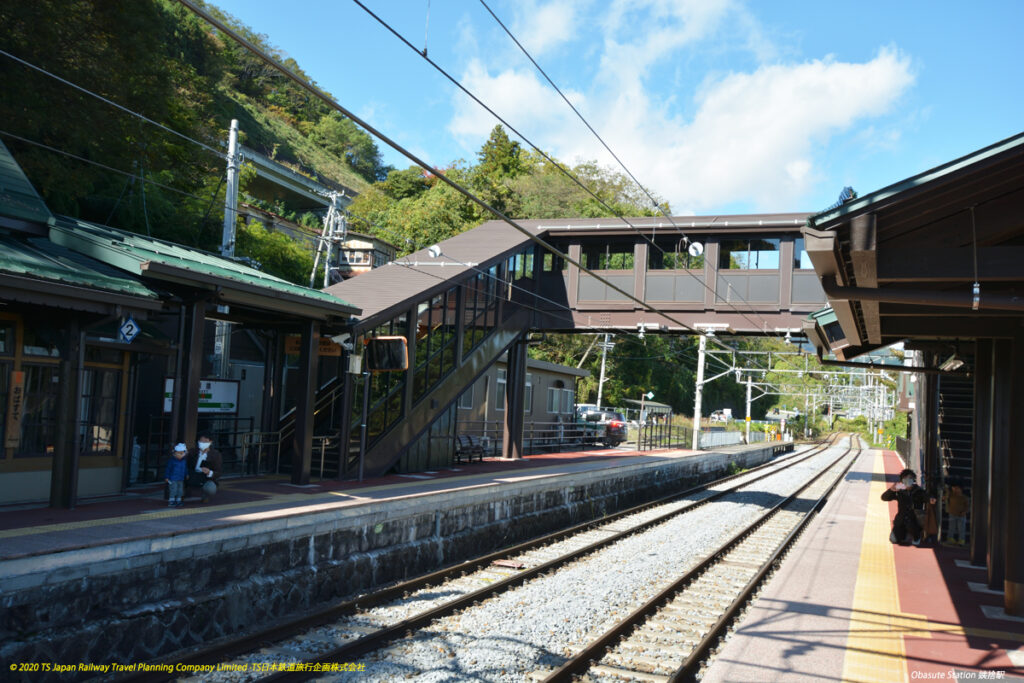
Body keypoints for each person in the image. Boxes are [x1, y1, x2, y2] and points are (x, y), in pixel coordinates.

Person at [882, 468, 928, 546]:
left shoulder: (918, 491)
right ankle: (903, 535)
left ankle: (916, 536)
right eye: (905, 478)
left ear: (913, 480)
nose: (908, 480)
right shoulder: (899, 490)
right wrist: (891, 490)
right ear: (902, 480)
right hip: (901, 519)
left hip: (914, 520)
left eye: (910, 478)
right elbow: (884, 498)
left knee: (911, 525)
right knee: (894, 539)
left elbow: (926, 497)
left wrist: (931, 499)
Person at [188, 434, 222, 503]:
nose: (202, 444)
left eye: (205, 442)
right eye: (201, 441)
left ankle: (205, 496)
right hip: (192, 475)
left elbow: (218, 472)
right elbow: (186, 464)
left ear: (210, 442)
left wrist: (209, 472)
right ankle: (181, 494)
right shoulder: (192, 452)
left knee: (210, 488)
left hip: (205, 478)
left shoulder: (215, 454)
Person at [164, 443, 188, 508]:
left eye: (182, 453)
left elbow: (185, 469)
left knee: (180, 490)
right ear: (174, 453)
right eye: (178, 453)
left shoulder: (184, 461)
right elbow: (168, 469)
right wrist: (166, 477)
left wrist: (186, 474)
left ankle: (178, 500)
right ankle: (171, 500)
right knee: (173, 490)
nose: (180, 455)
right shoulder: (171, 461)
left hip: (181, 478)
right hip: (173, 478)